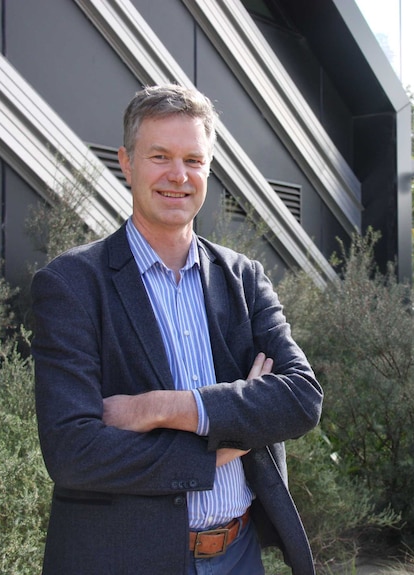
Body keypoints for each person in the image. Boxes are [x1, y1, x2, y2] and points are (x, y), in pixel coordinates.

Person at [31, 84, 323, 575]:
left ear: (208, 168)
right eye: (160, 156)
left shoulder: (244, 278)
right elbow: (73, 452)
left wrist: (158, 408)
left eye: (193, 159)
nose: (178, 175)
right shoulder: (71, 284)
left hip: (239, 555)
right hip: (123, 561)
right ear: (126, 162)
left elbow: (301, 398)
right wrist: (230, 438)